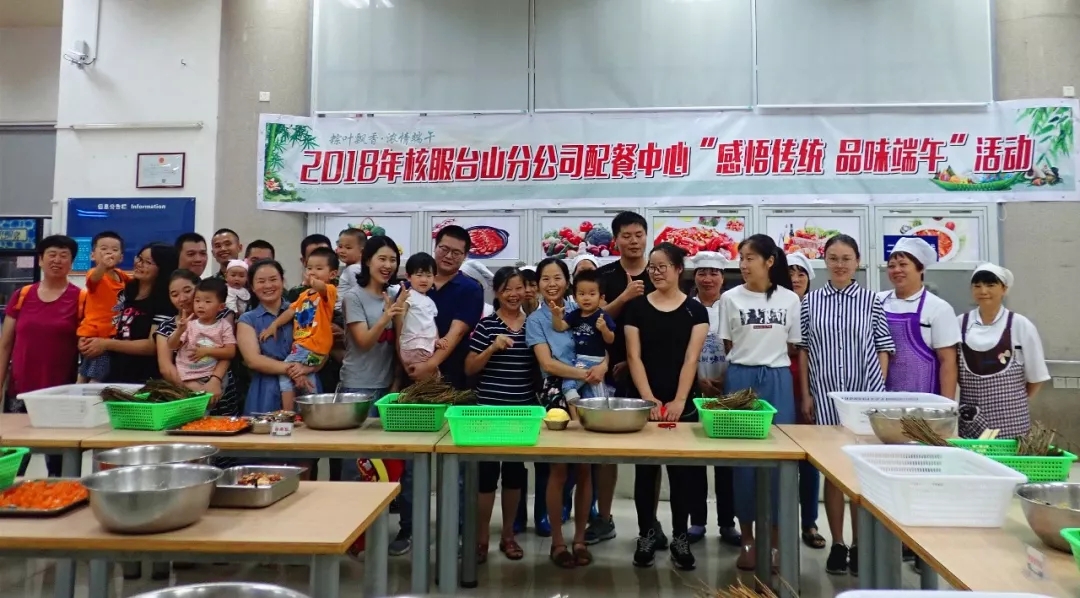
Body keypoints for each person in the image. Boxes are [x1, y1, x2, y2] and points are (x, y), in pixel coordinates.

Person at [798, 235, 894, 577]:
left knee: (860, 474)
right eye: (834, 258)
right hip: (825, 397)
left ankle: (859, 544)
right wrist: (806, 394)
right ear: (825, 260)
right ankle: (838, 543)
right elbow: (804, 350)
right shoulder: (810, 302)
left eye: (847, 258)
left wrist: (877, 395)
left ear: (857, 262)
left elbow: (883, 347)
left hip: (864, 399)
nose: (840, 264)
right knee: (834, 472)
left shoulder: (871, 301)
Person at [624, 243, 709, 570]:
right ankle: (646, 534)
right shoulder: (636, 309)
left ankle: (680, 537)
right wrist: (648, 399)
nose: (656, 272)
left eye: (662, 266)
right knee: (646, 472)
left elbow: (691, 358)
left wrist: (678, 401)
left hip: (681, 403)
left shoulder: (695, 311)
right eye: (652, 267)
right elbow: (634, 357)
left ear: (678, 269)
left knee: (681, 474)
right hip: (644, 402)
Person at [721, 234, 801, 572]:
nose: (743, 263)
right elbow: (728, 345)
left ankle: (777, 543)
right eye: (741, 257)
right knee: (743, 464)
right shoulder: (729, 298)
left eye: (750, 257)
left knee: (780, 460)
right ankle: (748, 541)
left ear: (769, 261)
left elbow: (793, 346)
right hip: (740, 378)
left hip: (778, 380)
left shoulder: (790, 299)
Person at [525, 257, 602, 568]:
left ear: (568, 281)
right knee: (558, 469)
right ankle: (557, 542)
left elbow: (604, 347)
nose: (552, 284)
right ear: (538, 284)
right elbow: (547, 364)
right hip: (556, 391)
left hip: (590, 388)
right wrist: (585, 374)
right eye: (545, 278)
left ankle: (580, 539)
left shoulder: (582, 308)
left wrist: (602, 367)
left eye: (557, 277)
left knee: (585, 468)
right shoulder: (536, 320)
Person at [465, 267, 539, 564]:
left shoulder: (533, 325)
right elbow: (470, 367)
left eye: (519, 288)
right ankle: (481, 538)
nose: (514, 294)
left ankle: (508, 536)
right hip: (488, 411)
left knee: (514, 476)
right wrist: (492, 348)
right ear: (497, 292)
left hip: (521, 412)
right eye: (507, 288)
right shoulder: (487, 326)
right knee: (485, 479)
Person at [590, 210, 652, 545]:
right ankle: (603, 518)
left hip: (648, 373)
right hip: (604, 372)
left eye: (638, 234)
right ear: (615, 240)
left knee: (650, 454)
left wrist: (633, 361)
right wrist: (624, 297)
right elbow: (591, 320)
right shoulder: (604, 276)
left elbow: (665, 328)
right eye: (626, 236)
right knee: (604, 453)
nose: (633, 241)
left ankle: (649, 525)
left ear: (646, 237)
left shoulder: (658, 272)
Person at [0, 235, 84, 476]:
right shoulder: (22, 295)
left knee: (60, 466)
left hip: (60, 395)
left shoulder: (80, 298)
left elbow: (85, 348)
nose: (57, 260)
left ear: (71, 262)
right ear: (40, 260)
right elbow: (5, 345)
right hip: (20, 391)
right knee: (13, 462)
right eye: (51, 255)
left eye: (64, 256)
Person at [686, 251, 741, 548]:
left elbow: (741, 346)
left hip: (727, 390)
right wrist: (697, 379)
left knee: (726, 461)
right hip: (693, 390)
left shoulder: (733, 305)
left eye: (714, 273)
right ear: (694, 277)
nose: (708, 278)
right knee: (695, 460)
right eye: (702, 273)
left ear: (722, 277)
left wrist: (726, 380)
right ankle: (697, 521)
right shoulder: (685, 307)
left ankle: (727, 523)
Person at [957, 263, 1049, 439]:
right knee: (972, 456)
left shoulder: (1020, 325)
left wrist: (1013, 402)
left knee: (1009, 457)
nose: (983, 291)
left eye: (990, 285)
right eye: (977, 286)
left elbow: (1036, 377)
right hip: (970, 418)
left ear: (1004, 289)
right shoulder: (960, 323)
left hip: (1012, 418)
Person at [877, 237, 960, 398]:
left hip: (925, 401)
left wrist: (947, 406)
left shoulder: (938, 308)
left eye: (903, 264)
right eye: (891, 266)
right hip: (883, 399)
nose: (896, 270)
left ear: (920, 268)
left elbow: (948, 363)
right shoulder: (877, 301)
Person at [236, 260, 319, 415]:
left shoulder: (303, 309)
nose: (268, 285)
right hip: (265, 391)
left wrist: (307, 368)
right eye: (261, 281)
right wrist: (293, 370)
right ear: (252, 287)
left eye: (273, 279)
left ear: (282, 281)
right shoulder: (247, 320)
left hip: (306, 382)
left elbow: (321, 347)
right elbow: (253, 360)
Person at [258, 247, 338, 406]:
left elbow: (321, 287)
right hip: (305, 347)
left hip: (312, 345)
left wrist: (311, 280)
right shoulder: (303, 295)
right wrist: (274, 325)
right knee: (306, 379)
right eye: (309, 268)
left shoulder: (329, 291)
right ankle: (314, 411)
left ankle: (288, 412)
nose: (312, 272)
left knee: (286, 373)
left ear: (333, 274)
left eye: (319, 268)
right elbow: (290, 311)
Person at [93, 243, 179, 386]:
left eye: (148, 262)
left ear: (162, 268)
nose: (139, 264)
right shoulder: (128, 290)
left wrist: (106, 344)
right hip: (115, 372)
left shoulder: (165, 300)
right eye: (139, 258)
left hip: (144, 378)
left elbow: (152, 346)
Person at [155, 270, 236, 415]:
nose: (182, 298)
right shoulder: (171, 327)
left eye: (187, 291)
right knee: (196, 421)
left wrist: (215, 381)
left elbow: (228, 352)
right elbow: (166, 367)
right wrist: (197, 391)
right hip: (188, 389)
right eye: (174, 294)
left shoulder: (222, 316)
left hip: (219, 387)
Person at [786, 251, 823, 552]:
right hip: (780, 382)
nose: (795, 279)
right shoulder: (774, 303)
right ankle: (777, 522)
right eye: (790, 273)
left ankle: (809, 522)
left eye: (801, 273)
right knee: (779, 457)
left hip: (809, 385)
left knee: (809, 460)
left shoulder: (817, 308)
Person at [418, 225, 483, 388]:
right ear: (435, 247)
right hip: (412, 370)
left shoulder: (471, 289)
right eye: (444, 249)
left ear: (465, 256)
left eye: (456, 253)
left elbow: (457, 332)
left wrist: (430, 366)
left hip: (452, 379)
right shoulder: (413, 285)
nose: (448, 256)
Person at [551, 269, 614, 400]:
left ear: (601, 297)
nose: (586, 298)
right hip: (579, 359)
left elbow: (610, 340)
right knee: (589, 394)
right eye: (581, 294)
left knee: (570, 386)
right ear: (574, 297)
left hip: (595, 360)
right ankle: (584, 412)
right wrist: (556, 316)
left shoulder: (602, 316)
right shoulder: (575, 315)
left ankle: (578, 408)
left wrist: (604, 329)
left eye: (592, 294)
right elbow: (560, 327)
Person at [167, 278, 237, 393]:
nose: (200, 305)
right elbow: (172, 345)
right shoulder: (189, 325)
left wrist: (207, 351)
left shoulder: (224, 326)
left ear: (221, 307)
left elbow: (230, 352)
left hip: (213, 375)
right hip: (189, 376)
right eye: (197, 301)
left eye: (207, 302)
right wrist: (179, 331)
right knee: (198, 402)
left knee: (211, 400)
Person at [77, 231, 128, 383]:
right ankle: (83, 396)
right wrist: (102, 266)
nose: (109, 253)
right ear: (93, 255)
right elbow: (93, 280)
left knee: (87, 373)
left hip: (109, 335)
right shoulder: (94, 273)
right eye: (104, 249)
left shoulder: (121, 275)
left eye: (114, 250)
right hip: (95, 334)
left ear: (121, 257)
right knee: (96, 377)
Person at [396, 252, 447, 371]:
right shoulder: (408, 295)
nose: (424, 279)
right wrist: (400, 302)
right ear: (408, 276)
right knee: (431, 377)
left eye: (429, 276)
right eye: (419, 275)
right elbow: (400, 315)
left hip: (426, 346)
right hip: (414, 346)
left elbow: (431, 323)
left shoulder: (430, 301)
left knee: (430, 378)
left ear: (434, 277)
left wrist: (437, 340)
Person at [335, 228, 367, 311]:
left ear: (362, 251)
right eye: (340, 246)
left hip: (342, 313)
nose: (342, 251)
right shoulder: (352, 268)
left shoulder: (353, 269)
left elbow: (360, 294)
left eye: (348, 248)